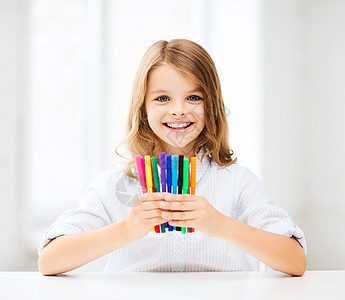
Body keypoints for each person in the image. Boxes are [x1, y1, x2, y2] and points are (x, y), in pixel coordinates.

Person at [38, 39, 307, 276]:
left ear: (211, 107)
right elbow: (49, 261)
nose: (178, 110)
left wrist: (221, 225)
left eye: (193, 97)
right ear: (143, 109)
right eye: (162, 98)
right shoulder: (117, 187)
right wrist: (127, 229)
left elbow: (295, 261)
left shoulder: (236, 181)